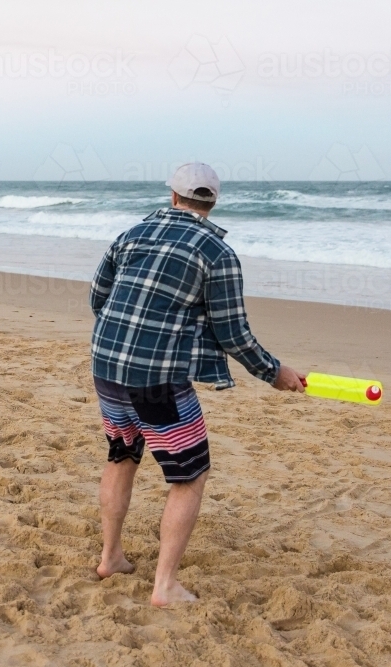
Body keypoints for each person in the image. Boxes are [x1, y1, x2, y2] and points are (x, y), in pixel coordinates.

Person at [89, 163, 304, 606]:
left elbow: (98, 296)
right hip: (156, 378)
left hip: (106, 363)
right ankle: (164, 585)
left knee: (122, 454)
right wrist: (273, 372)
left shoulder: (130, 235)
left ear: (173, 195)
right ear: (212, 203)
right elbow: (233, 334)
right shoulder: (217, 253)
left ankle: (111, 557)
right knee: (190, 475)